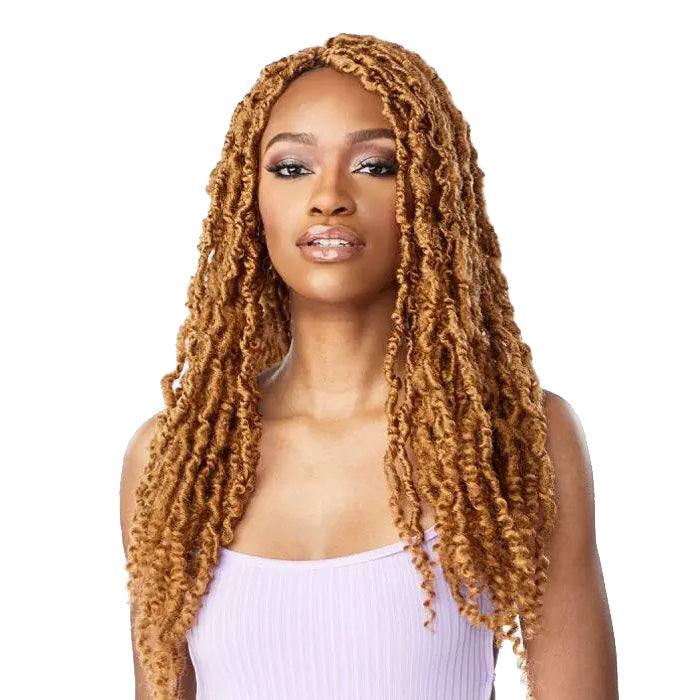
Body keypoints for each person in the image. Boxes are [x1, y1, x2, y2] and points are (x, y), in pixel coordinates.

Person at [120, 32, 618, 700]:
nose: (328, 196)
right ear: (249, 200)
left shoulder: (514, 440)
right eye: (291, 168)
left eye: (376, 165)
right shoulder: (175, 461)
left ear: (432, 196)